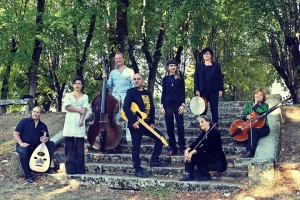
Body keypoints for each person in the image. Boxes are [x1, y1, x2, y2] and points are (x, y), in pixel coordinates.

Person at [123, 73, 168, 178]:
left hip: (147, 124)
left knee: (161, 138)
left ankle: (154, 160)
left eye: (138, 79)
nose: (136, 81)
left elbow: (152, 108)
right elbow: (126, 108)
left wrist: (152, 122)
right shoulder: (130, 92)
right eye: (134, 79)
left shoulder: (148, 93)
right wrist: (133, 121)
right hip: (136, 125)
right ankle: (137, 169)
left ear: (142, 80)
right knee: (136, 147)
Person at [13, 106, 56, 183]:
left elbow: (46, 137)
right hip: (23, 145)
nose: (35, 114)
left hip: (36, 147)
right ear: (32, 112)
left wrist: (45, 139)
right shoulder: (24, 121)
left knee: (51, 144)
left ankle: (49, 167)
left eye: (37, 112)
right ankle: (28, 175)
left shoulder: (43, 126)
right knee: (23, 151)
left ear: (40, 114)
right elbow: (16, 133)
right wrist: (21, 143)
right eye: (34, 112)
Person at [179, 115, 227, 181]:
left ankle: (205, 176)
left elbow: (207, 147)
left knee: (199, 154)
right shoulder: (204, 133)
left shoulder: (214, 132)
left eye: (202, 122)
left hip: (217, 160)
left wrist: (192, 152)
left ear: (208, 122)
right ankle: (189, 174)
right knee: (193, 153)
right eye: (199, 123)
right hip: (208, 158)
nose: (200, 124)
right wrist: (187, 150)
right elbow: (196, 143)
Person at [102, 52, 134, 143]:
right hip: (114, 98)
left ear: (124, 59)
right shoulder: (113, 72)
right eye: (116, 59)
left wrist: (130, 97)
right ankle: (114, 138)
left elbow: (133, 85)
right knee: (113, 118)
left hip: (126, 97)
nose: (118, 60)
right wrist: (105, 78)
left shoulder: (130, 71)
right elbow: (109, 86)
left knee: (128, 118)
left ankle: (129, 139)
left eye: (120, 58)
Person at [63, 77, 90, 174]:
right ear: (73, 85)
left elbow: (85, 109)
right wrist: (79, 110)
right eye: (75, 83)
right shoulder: (68, 95)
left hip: (79, 121)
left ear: (82, 85)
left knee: (79, 146)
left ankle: (80, 170)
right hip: (70, 120)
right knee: (69, 146)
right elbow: (68, 107)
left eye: (79, 83)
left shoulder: (85, 96)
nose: (77, 85)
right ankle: (70, 170)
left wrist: (82, 120)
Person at [160, 59, 186, 156]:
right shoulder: (165, 79)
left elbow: (183, 92)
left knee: (180, 125)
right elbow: (163, 93)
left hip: (178, 104)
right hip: (167, 105)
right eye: (171, 65)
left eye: (174, 65)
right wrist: (162, 106)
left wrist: (183, 104)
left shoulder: (180, 78)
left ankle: (182, 147)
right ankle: (173, 148)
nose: (173, 67)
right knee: (169, 126)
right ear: (168, 67)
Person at [194, 48, 224, 124]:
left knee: (214, 109)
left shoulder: (216, 66)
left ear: (211, 55)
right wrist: (197, 89)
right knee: (202, 110)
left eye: (207, 53)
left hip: (214, 91)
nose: (206, 55)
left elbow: (219, 78)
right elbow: (196, 78)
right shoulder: (199, 66)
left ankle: (215, 128)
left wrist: (220, 90)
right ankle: (203, 127)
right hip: (203, 91)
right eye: (204, 54)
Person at [242, 88, 270, 158]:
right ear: (254, 95)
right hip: (252, 126)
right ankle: (250, 148)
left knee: (253, 131)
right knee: (251, 131)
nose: (258, 96)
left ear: (263, 98)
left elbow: (261, 112)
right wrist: (246, 116)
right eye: (256, 94)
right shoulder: (249, 105)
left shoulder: (265, 105)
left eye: (260, 95)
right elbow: (243, 115)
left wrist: (256, 104)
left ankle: (250, 151)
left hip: (264, 128)